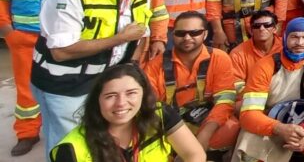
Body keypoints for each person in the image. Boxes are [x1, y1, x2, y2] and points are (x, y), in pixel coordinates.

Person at [31, 0, 155, 154]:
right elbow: (61, 52)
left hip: (106, 80)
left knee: (99, 138)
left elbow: (140, 32)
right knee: (69, 143)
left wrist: (131, 68)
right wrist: (119, 39)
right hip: (66, 84)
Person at [0, 0, 89, 156]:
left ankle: (75, 131)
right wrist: (8, 32)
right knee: (26, 88)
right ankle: (27, 133)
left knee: (71, 86)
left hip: (67, 39)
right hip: (25, 37)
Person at [49, 64, 205, 162]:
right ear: (97, 100)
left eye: (131, 93)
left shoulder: (161, 115)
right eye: (111, 96)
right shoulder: (71, 150)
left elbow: (195, 154)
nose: (121, 103)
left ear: (143, 95)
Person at [234, 18, 304, 160]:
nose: (300, 43)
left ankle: (297, 150)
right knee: (249, 144)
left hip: (302, 118)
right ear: (284, 38)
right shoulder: (265, 66)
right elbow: (248, 115)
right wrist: (280, 128)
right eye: (294, 37)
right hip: (268, 117)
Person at [141, 11, 239, 156]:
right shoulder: (155, 65)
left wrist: (204, 135)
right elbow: (150, 108)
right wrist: (177, 134)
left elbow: (224, 101)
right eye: (181, 33)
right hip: (170, 123)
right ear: (173, 35)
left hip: (206, 119)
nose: (187, 38)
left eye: (195, 33)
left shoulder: (220, 58)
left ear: (205, 34)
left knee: (232, 128)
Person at [228, 10, 282, 90]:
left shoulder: (286, 47)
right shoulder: (237, 54)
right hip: (253, 96)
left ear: (275, 28)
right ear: (250, 30)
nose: (262, 28)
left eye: (267, 25)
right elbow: (236, 85)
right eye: (257, 26)